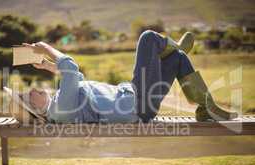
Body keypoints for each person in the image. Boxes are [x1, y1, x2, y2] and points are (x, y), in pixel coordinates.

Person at [20, 30, 237, 123]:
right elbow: (69, 66)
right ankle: (169, 46)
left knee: (178, 59)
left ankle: (205, 107)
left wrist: (48, 66)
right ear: (38, 111)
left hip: (138, 102)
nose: (32, 91)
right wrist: (46, 48)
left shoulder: (62, 105)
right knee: (148, 38)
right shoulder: (60, 109)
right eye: (29, 97)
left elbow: (78, 78)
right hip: (137, 102)